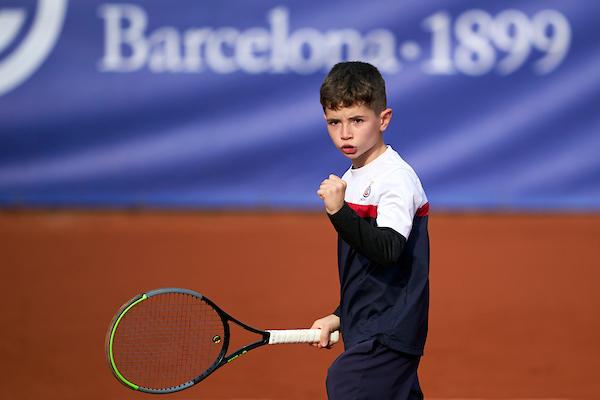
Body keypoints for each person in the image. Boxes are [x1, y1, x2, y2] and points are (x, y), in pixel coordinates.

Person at [310, 61, 430, 399]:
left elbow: (389, 249)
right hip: (365, 324)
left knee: (346, 383)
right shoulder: (351, 178)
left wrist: (339, 212)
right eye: (334, 122)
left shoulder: (395, 177)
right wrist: (339, 316)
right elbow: (366, 268)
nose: (345, 133)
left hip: (390, 328)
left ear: (383, 119)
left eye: (357, 120)